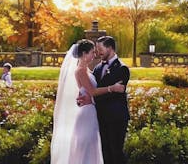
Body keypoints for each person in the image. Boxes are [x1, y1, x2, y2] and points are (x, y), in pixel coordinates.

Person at [51, 39, 125, 164]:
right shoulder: (80, 71)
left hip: (91, 110)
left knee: (92, 144)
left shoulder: (90, 70)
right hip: (86, 113)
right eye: (92, 52)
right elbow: (93, 92)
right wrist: (112, 88)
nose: (94, 55)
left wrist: (89, 99)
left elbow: (89, 93)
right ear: (84, 54)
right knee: (87, 145)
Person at [76, 36, 131, 164]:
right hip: (100, 117)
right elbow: (92, 89)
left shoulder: (122, 68)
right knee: (104, 152)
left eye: (100, 49)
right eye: (96, 49)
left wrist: (92, 99)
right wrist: (85, 98)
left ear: (110, 48)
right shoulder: (98, 68)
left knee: (116, 152)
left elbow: (116, 93)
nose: (97, 52)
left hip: (116, 117)